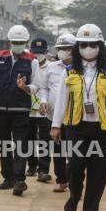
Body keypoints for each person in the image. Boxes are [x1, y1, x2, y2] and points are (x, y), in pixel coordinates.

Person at [51, 24, 106, 211]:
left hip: (103, 128)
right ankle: (75, 195)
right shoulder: (69, 72)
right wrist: (55, 125)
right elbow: (61, 100)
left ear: (100, 47)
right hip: (76, 127)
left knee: (99, 171)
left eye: (92, 44)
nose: (88, 48)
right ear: (77, 47)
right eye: (84, 44)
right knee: (75, 167)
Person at [0, 25, 41, 196]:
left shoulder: (32, 60)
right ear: (9, 42)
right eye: (15, 42)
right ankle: (8, 178)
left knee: (21, 144)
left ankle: (19, 179)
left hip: (20, 109)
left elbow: (37, 85)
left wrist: (26, 87)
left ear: (26, 42)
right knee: (4, 144)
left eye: (20, 42)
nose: (17, 44)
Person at [39, 33, 76, 192]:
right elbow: (44, 88)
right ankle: (61, 180)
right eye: (60, 48)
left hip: (75, 117)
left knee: (75, 151)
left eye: (66, 48)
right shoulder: (52, 67)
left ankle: (73, 179)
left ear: (74, 50)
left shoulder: (80, 68)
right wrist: (43, 101)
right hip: (54, 117)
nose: (62, 51)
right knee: (58, 151)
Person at [26, 38, 52, 182]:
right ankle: (31, 165)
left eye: (40, 53)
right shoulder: (27, 65)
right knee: (29, 138)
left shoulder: (52, 67)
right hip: (29, 109)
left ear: (46, 52)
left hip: (44, 110)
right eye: (35, 53)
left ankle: (43, 169)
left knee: (44, 140)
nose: (37, 56)